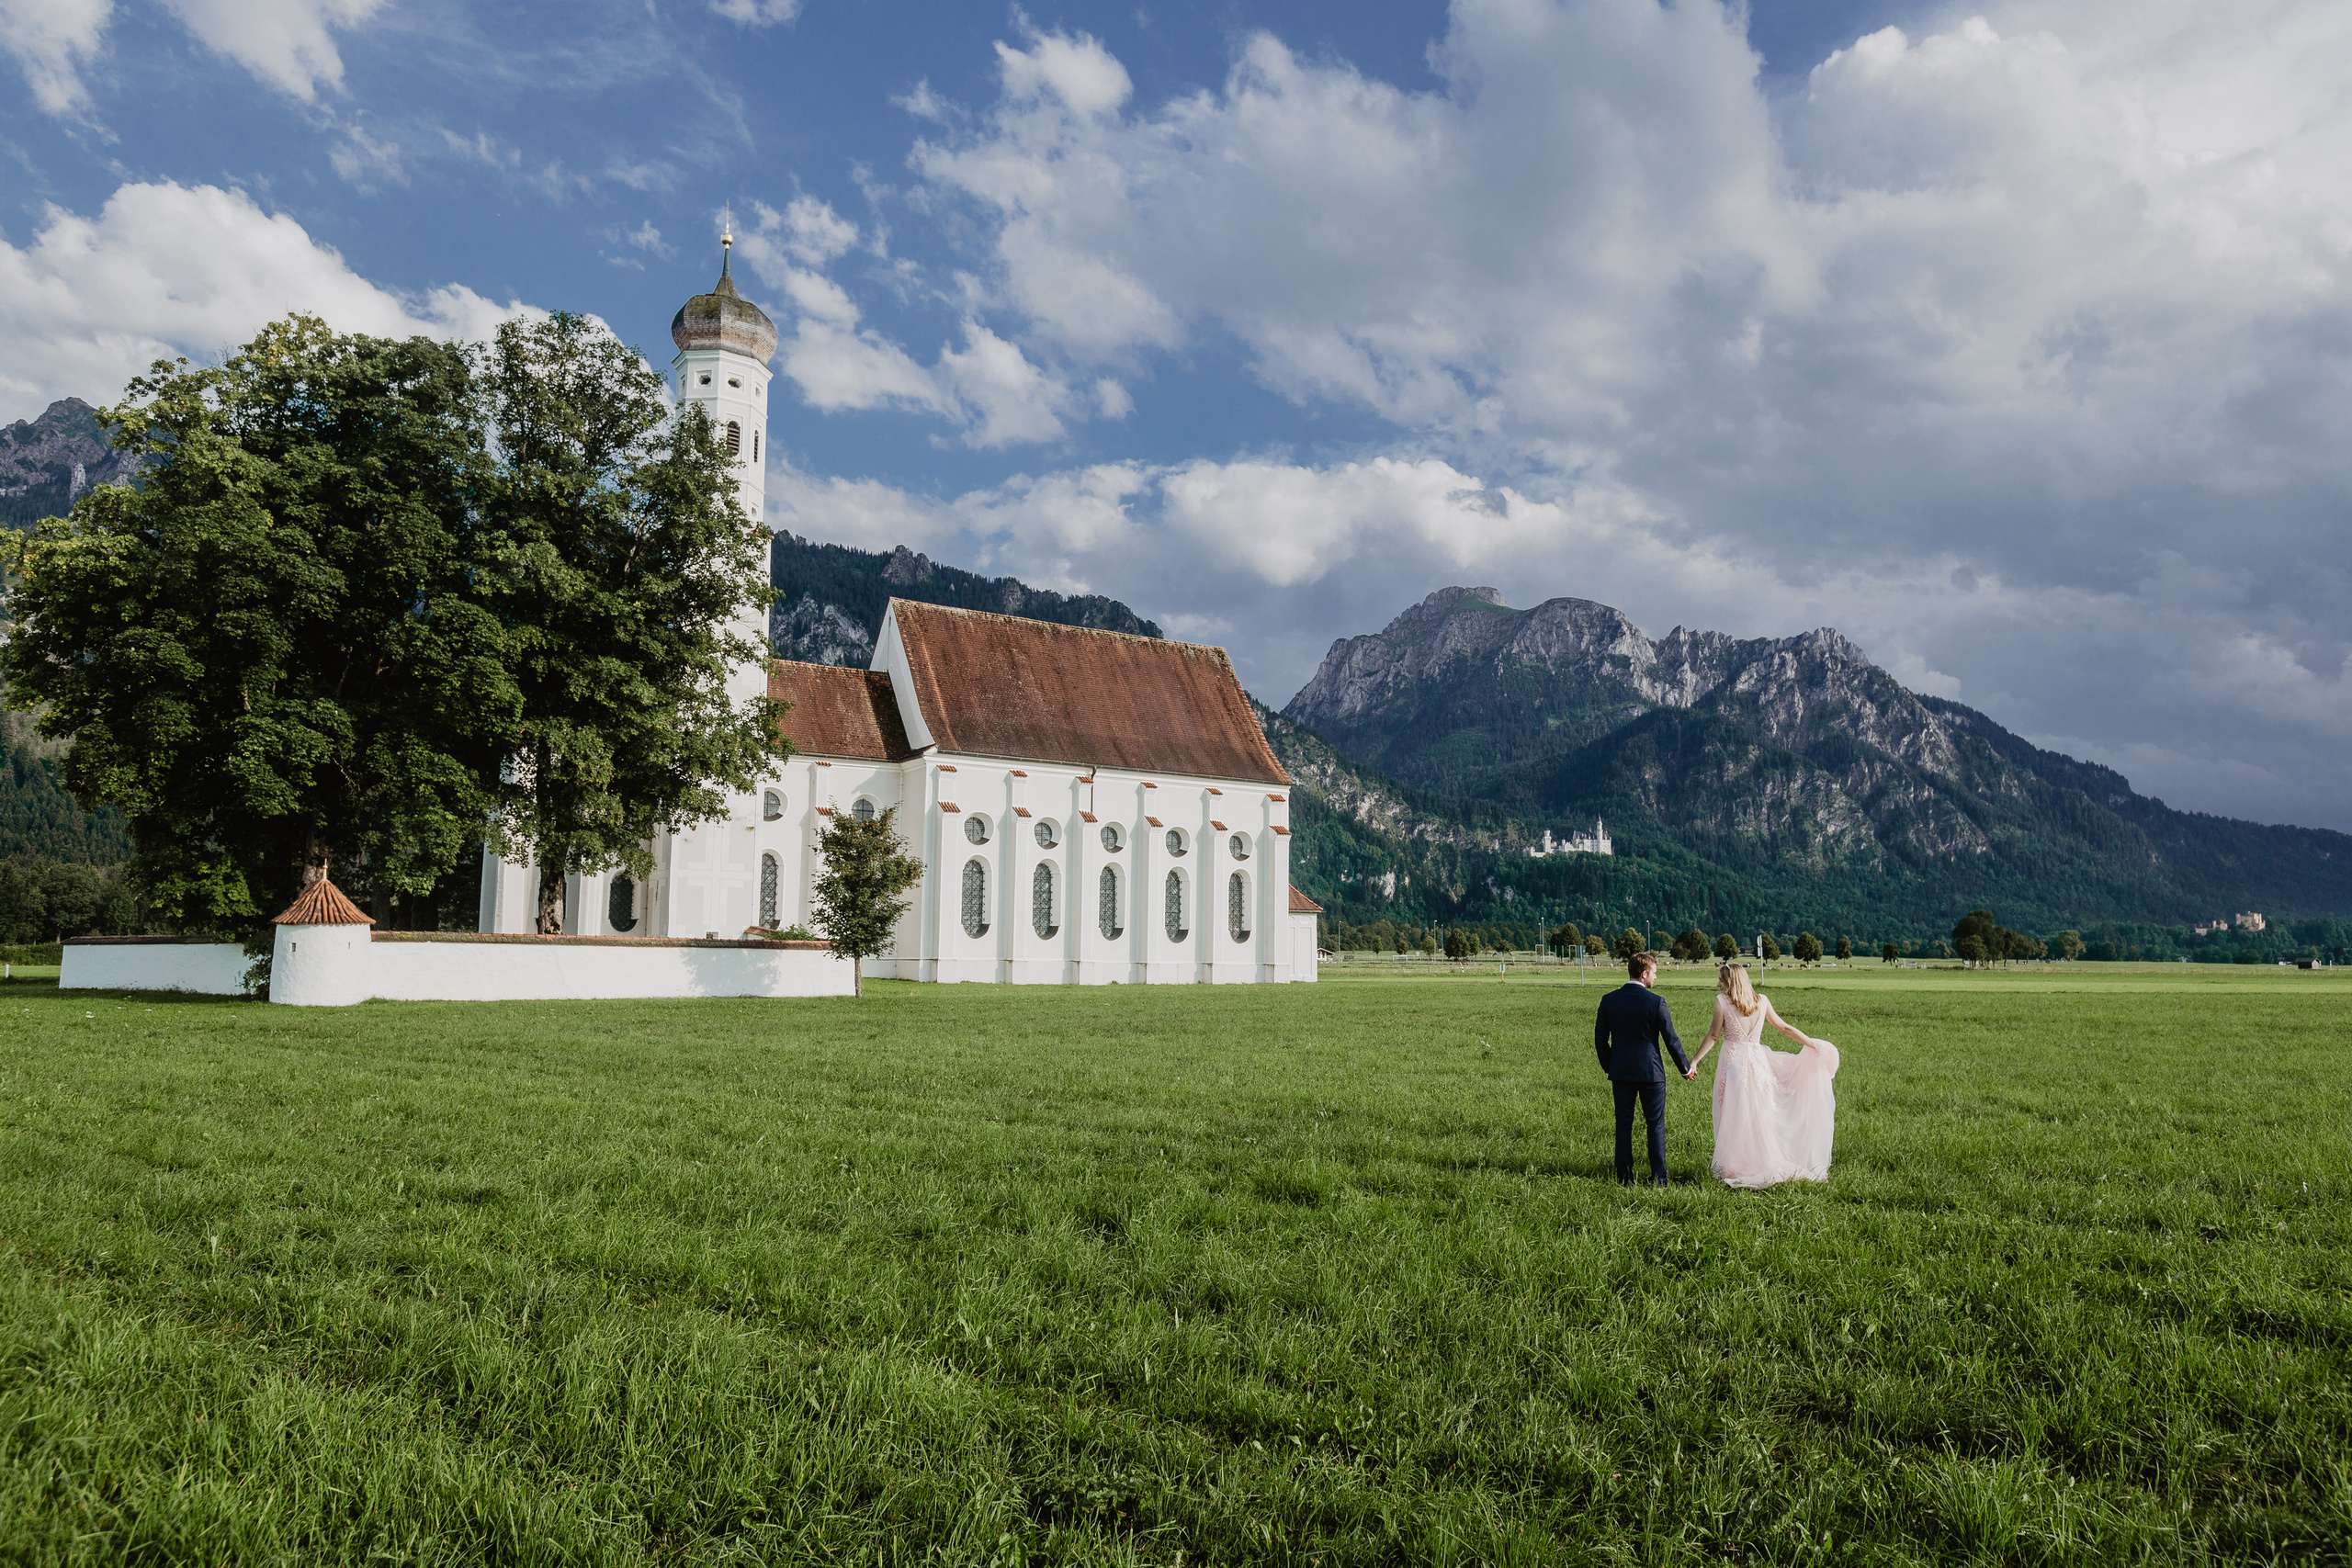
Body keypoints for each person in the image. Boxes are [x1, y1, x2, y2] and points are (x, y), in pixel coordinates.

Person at [1686, 962, 1839, 1188]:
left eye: (1722, 979)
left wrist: (1695, 1060)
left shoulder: (1722, 1003)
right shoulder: (1762, 1001)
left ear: (1732, 982)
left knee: (1732, 1116)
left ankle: (1733, 1166)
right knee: (1759, 1116)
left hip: (1734, 1066)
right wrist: (1811, 1044)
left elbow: (1713, 1036)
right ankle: (1760, 1162)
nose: (1718, 983)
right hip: (1759, 1065)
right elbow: (1784, 1028)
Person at [1593, 951, 1691, 1186]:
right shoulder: (1656, 1001)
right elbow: (1671, 1039)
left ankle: (1625, 1177)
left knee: (1623, 1124)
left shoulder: (1609, 1000)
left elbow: (1600, 1040)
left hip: (1621, 1072)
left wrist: (1610, 1066)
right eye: (1655, 974)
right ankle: (1659, 1178)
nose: (1656, 978)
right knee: (1655, 1124)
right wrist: (1685, 1068)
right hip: (1652, 1073)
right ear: (1644, 973)